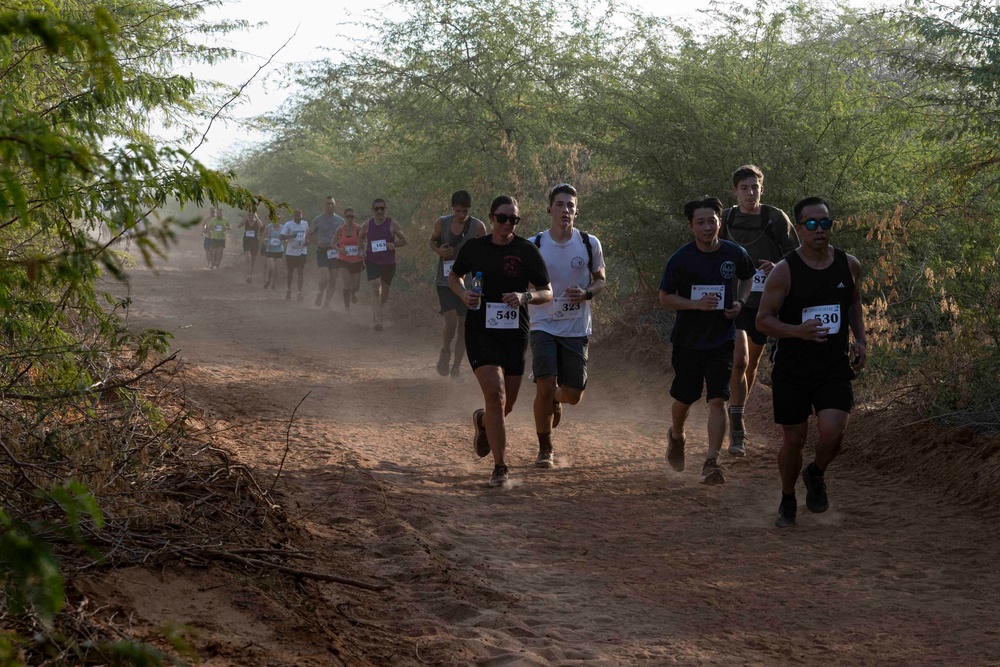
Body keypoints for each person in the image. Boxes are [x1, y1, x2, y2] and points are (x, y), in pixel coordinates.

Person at [756, 196, 867, 528]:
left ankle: (815, 473)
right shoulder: (784, 271)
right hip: (793, 368)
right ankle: (788, 497)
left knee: (833, 431)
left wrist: (860, 340)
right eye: (812, 224)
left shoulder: (849, 264)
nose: (820, 230)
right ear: (800, 228)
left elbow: (854, 303)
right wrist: (797, 331)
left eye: (826, 223)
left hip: (833, 365)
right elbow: (763, 320)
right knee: (794, 439)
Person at [449, 195, 552, 487]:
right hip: (480, 330)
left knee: (505, 407)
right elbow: (455, 277)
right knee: (496, 395)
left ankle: (483, 422)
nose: (508, 224)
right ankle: (500, 467)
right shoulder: (475, 247)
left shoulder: (527, 251)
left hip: (515, 333)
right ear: (491, 217)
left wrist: (525, 296)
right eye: (502, 218)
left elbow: (548, 292)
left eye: (513, 219)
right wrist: (463, 294)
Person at [658, 196, 755, 485]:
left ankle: (712, 461)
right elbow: (664, 298)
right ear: (691, 226)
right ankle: (676, 435)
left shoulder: (734, 254)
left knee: (717, 400)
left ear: (719, 222)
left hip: (722, 340)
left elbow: (748, 277)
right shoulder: (681, 259)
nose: (707, 226)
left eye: (712, 220)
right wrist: (695, 304)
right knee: (684, 398)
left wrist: (740, 301)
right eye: (700, 222)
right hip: (688, 341)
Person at [722, 165, 799, 457]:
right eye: (745, 187)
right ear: (735, 190)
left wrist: (777, 267)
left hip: (764, 303)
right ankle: (737, 428)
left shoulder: (774, 218)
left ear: (761, 189)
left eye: (755, 187)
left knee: (751, 365)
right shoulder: (725, 219)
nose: (750, 193)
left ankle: (736, 411)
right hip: (733, 301)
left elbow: (796, 254)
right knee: (739, 361)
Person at [528, 183, 606, 468]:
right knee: (545, 385)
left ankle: (558, 400)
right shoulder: (534, 244)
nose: (566, 210)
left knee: (573, 394)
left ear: (576, 211)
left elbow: (600, 279)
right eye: (560, 205)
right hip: (542, 323)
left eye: (571, 205)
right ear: (550, 209)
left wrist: (586, 293)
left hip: (575, 326)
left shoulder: (589, 243)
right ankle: (545, 448)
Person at [429, 190, 486, 378]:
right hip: (445, 281)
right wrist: (439, 251)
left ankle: (456, 368)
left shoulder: (478, 227)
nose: (462, 215)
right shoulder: (442, 223)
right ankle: (445, 351)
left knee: (464, 327)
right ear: (452, 208)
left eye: (465, 211)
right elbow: (432, 240)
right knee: (451, 321)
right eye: (459, 211)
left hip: (468, 284)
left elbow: (484, 253)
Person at [358, 199, 408, 330]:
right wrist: (361, 250)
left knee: (384, 294)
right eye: (376, 209)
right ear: (372, 210)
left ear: (385, 209)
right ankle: (378, 322)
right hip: (372, 261)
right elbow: (360, 237)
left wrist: (394, 244)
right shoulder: (367, 225)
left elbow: (404, 240)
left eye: (382, 208)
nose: (379, 211)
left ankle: (376, 309)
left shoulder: (392, 224)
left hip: (389, 263)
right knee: (375, 287)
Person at [309, 196, 345, 307]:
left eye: (331, 203)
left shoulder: (340, 220)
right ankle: (320, 292)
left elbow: (345, 236)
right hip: (322, 251)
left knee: (333, 279)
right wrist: (317, 243)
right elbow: (309, 234)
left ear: (335, 205)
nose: (330, 205)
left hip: (335, 252)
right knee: (324, 278)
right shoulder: (318, 219)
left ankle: (327, 302)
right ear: (324, 205)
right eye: (327, 203)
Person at [334, 207, 365, 310]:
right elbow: (332, 243)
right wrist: (340, 250)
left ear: (354, 217)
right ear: (345, 217)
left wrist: (362, 251)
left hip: (356, 260)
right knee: (346, 283)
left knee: (356, 286)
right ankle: (347, 308)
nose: (350, 219)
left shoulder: (359, 228)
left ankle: (353, 293)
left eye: (352, 216)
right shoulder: (340, 229)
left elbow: (366, 242)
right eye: (348, 217)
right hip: (343, 259)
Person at [279, 209, 310, 301]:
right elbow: (281, 237)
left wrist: (307, 241)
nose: (298, 217)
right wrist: (291, 236)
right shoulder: (288, 224)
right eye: (296, 216)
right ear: (293, 217)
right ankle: (288, 290)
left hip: (302, 251)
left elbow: (308, 235)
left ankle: (299, 293)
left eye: (299, 216)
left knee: (300, 272)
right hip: (291, 252)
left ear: (302, 215)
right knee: (290, 272)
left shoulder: (305, 224)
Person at [238, 206, 264, 283]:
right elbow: (239, 225)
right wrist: (245, 216)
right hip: (246, 242)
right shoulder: (246, 221)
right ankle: (248, 275)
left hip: (255, 243)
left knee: (253, 261)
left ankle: (250, 275)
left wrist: (256, 216)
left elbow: (261, 227)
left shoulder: (257, 222)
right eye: (249, 215)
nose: (250, 216)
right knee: (248, 259)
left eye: (252, 214)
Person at [261, 216, 284, 290]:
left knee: (277, 269)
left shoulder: (283, 227)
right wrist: (266, 244)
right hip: (270, 250)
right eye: (275, 219)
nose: (276, 220)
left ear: (280, 220)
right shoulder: (268, 227)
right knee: (271, 268)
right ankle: (268, 280)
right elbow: (262, 237)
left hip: (279, 250)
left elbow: (285, 238)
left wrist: (284, 241)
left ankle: (273, 285)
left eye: (278, 219)